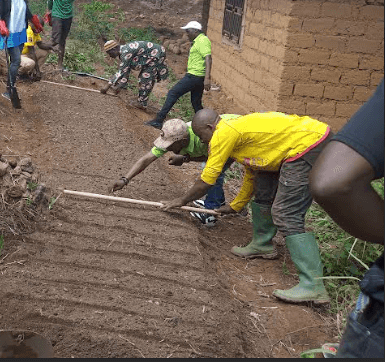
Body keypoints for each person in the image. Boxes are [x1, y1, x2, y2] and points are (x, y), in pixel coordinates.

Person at [162, 109, 334, 305]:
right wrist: (236, 206)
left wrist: (182, 200)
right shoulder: (232, 131)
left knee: (286, 213)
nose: (202, 142)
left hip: (309, 144)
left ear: (210, 127)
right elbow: (252, 171)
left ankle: (314, 285)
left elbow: (208, 179)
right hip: (294, 146)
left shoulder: (224, 133)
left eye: (202, 136)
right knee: (263, 188)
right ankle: (263, 244)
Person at [309, 80, 383, 358]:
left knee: (286, 211)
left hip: (303, 145)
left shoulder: (224, 136)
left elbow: (333, 181)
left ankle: (310, 283)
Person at [110, 118, 239, 226]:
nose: (167, 148)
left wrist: (182, 200)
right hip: (218, 141)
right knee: (208, 170)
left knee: (212, 173)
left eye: (170, 145)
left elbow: (211, 160)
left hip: (233, 140)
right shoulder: (175, 133)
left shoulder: (203, 139)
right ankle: (219, 200)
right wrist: (125, 179)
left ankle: (211, 213)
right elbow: (147, 159)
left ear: (182, 141)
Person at [146, 21, 212, 129]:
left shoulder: (203, 40)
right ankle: (206, 125)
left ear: (195, 31)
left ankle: (159, 120)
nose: (186, 34)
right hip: (196, 76)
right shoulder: (198, 40)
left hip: (194, 76)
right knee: (196, 103)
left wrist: (208, 78)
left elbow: (208, 58)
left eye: (188, 31)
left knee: (173, 93)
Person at [0, 0, 43, 101]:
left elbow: (25, 9)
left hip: (21, 31)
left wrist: (34, 20)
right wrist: (1, 26)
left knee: (15, 61)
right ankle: (10, 89)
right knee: (16, 60)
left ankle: (10, 85)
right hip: (8, 32)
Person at [100, 39, 169, 110]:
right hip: (155, 53)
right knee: (145, 76)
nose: (110, 56)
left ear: (114, 49)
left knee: (145, 78)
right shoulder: (124, 51)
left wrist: (107, 86)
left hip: (156, 54)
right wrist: (119, 85)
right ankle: (142, 100)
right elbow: (126, 70)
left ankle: (142, 103)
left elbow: (121, 71)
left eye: (109, 53)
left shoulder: (125, 53)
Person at [46, 0, 85, 71]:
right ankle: (38, 51)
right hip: (57, 14)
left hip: (68, 15)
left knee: (63, 41)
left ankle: (60, 65)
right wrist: (49, 10)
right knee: (55, 40)